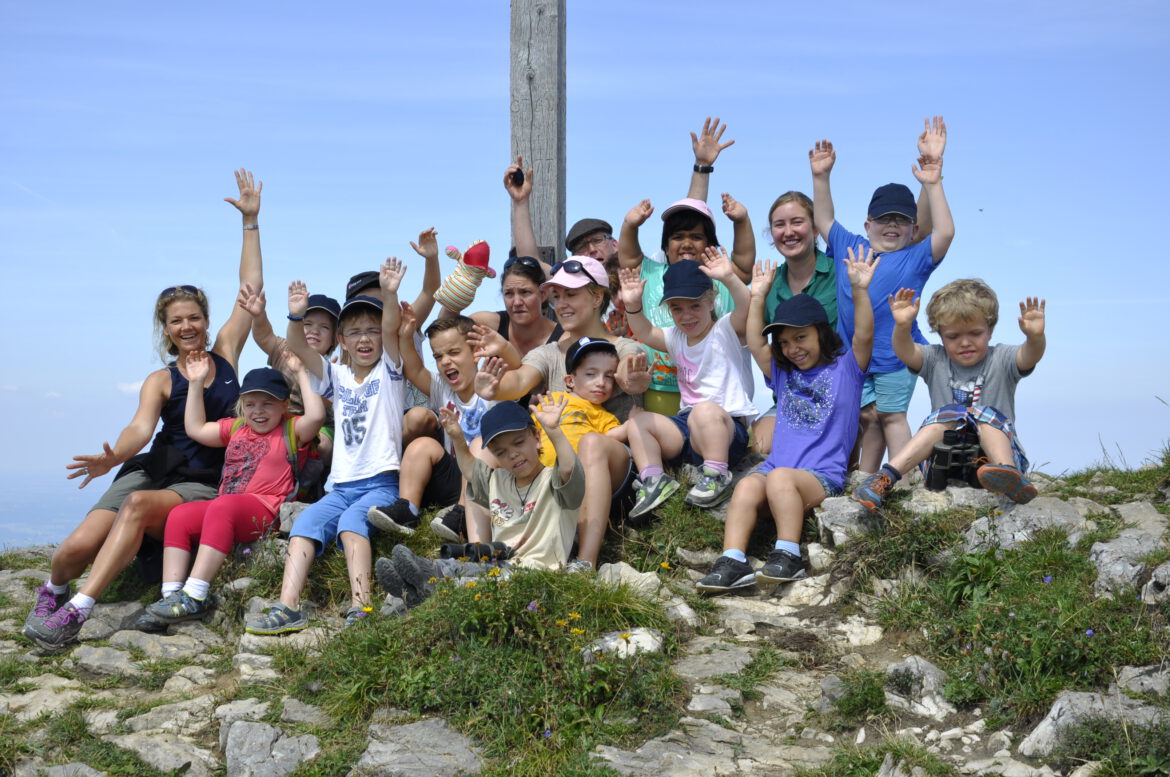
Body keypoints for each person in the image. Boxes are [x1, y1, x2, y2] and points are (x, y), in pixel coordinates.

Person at [23, 170, 264, 650]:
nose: (188, 326)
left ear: (207, 320)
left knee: (134, 508)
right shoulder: (160, 379)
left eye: (195, 317)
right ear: (167, 329)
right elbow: (139, 429)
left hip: (199, 478)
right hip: (152, 467)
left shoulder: (227, 353)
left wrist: (251, 223)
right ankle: (55, 591)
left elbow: (251, 285)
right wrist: (112, 459)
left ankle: (77, 612)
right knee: (72, 550)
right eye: (178, 321)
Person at [696, 247, 878, 594]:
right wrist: (758, 296)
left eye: (800, 337)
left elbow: (865, 334)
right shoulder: (783, 373)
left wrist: (860, 290)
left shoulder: (846, 369)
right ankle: (733, 560)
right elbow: (754, 342)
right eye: (785, 342)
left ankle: (788, 554)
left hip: (821, 477)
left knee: (778, 477)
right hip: (778, 472)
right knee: (749, 483)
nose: (793, 348)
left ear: (821, 333)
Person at [244, 259, 406, 634]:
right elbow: (297, 347)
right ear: (342, 340)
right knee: (304, 525)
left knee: (352, 524)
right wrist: (295, 316)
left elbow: (395, 330)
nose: (364, 339)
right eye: (354, 332)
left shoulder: (390, 372)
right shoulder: (338, 375)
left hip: (381, 482)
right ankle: (287, 607)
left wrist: (392, 294)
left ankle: (361, 607)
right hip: (341, 485)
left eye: (372, 331)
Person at [474, 255, 650, 571]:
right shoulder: (549, 353)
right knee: (481, 447)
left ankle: (585, 562)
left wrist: (628, 378)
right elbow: (519, 381)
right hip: (556, 470)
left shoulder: (623, 346)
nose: (561, 304)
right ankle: (479, 553)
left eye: (571, 294)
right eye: (556, 296)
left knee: (591, 444)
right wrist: (493, 388)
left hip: (612, 462)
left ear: (597, 297)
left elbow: (628, 366)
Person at [810, 118, 952, 474]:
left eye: (901, 221)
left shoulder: (915, 258)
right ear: (867, 224)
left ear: (914, 229)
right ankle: (866, 478)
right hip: (853, 354)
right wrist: (821, 178)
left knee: (891, 416)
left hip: (894, 355)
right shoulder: (849, 244)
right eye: (884, 219)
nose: (892, 225)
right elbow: (824, 218)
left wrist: (933, 183)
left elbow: (945, 232)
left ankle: (901, 478)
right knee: (865, 417)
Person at [143, 358, 325, 625]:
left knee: (222, 505)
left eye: (268, 404)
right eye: (250, 404)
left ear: (284, 405)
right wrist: (195, 383)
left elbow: (317, 416)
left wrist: (300, 372)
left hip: (266, 510)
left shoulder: (291, 429)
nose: (258, 411)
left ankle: (195, 594)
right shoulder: (238, 427)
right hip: (228, 510)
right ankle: (171, 597)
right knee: (180, 515)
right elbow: (196, 428)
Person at [374, 396, 585, 608]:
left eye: (519, 443)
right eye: (501, 452)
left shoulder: (556, 481)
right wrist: (457, 437)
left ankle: (420, 589)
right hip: (499, 563)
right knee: (455, 567)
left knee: (477, 584)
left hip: (537, 573)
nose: (513, 454)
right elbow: (470, 470)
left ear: (537, 437)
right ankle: (419, 582)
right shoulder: (498, 480)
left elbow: (568, 468)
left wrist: (554, 430)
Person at [853, 280, 1046, 510]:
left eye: (975, 333)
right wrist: (903, 326)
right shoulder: (935, 359)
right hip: (944, 457)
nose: (965, 342)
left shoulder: (1002, 358)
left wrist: (1035, 338)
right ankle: (884, 478)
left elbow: (1028, 356)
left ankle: (1009, 474)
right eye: (953, 336)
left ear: (990, 330)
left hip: (993, 457)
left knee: (984, 416)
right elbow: (905, 351)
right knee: (945, 417)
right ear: (941, 335)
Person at [619, 247, 754, 516]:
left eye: (695, 305)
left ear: (711, 301)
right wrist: (633, 305)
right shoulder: (675, 337)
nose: (686, 315)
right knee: (639, 422)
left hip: (725, 431)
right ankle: (654, 480)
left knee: (704, 410)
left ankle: (716, 475)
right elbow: (645, 332)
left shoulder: (726, 330)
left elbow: (747, 306)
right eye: (677, 308)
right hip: (688, 430)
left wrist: (729, 278)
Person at [367, 311, 495, 540]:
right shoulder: (443, 388)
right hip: (453, 477)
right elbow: (414, 369)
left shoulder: (494, 386)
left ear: (476, 352)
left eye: (454, 352)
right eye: (438, 356)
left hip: (487, 480)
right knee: (422, 445)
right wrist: (406, 337)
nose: (445, 361)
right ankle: (407, 509)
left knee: (477, 445)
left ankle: (463, 515)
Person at [750, 190, 838, 455]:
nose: (788, 231)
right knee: (760, 447)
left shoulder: (840, 273)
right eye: (779, 225)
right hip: (791, 395)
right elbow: (755, 341)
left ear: (815, 227)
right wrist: (754, 295)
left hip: (838, 392)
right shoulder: (768, 282)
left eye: (797, 222)